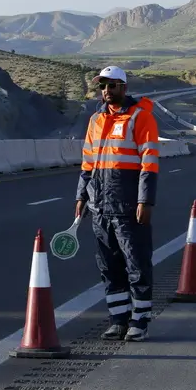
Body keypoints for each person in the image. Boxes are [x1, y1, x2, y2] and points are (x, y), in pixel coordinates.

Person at [75, 65, 160, 341]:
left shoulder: (141, 118)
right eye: (102, 86)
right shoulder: (95, 121)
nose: (106, 91)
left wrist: (145, 200)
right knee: (108, 267)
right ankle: (118, 320)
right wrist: (81, 196)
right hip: (100, 207)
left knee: (136, 264)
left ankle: (140, 321)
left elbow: (149, 163)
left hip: (127, 207)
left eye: (112, 86)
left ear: (124, 88)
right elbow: (88, 164)